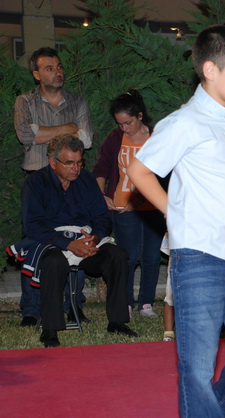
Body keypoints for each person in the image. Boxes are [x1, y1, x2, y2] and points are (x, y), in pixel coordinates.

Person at [127, 25, 225, 417]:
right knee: (197, 365)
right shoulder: (184, 122)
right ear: (210, 70)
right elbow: (139, 171)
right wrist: (173, 212)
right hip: (198, 257)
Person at [21, 134, 136, 348]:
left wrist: (95, 238)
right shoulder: (36, 183)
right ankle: (50, 329)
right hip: (52, 242)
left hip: (86, 241)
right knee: (53, 261)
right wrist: (67, 244)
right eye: (69, 163)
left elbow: (102, 217)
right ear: (53, 162)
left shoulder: (87, 180)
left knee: (117, 256)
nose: (76, 168)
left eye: (79, 162)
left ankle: (117, 322)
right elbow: (33, 225)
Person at [14, 46, 94, 327]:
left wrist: (43, 132)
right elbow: (26, 135)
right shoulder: (25, 102)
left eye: (59, 67)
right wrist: (69, 127)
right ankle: (31, 309)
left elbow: (85, 139)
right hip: (38, 181)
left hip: (70, 181)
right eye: (49, 68)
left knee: (75, 236)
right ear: (36, 74)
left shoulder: (77, 101)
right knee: (35, 243)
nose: (57, 72)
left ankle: (73, 305)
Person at [93, 90, 166, 318]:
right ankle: (125, 302)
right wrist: (101, 195)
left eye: (128, 123)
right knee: (128, 256)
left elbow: (163, 175)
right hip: (122, 206)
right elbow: (102, 168)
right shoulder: (116, 138)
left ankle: (146, 303)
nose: (124, 128)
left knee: (151, 257)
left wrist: (141, 201)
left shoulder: (156, 137)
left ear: (140, 116)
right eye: (120, 123)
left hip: (152, 207)